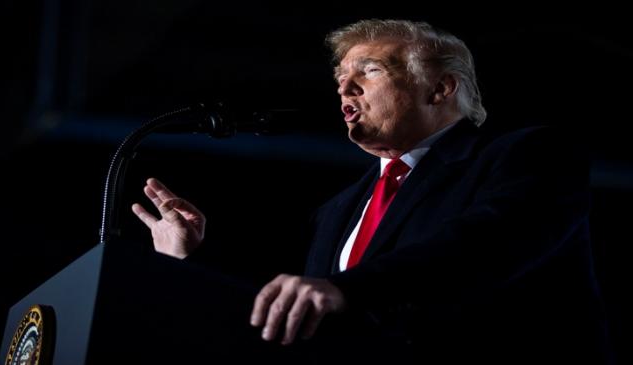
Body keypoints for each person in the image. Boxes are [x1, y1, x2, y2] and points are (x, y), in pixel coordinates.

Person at [131, 19, 611, 364]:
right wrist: (189, 259)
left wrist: (346, 290)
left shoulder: (530, 154)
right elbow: (285, 307)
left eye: (370, 71)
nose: (345, 89)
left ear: (441, 88)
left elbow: (485, 244)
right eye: (341, 78)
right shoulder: (337, 211)